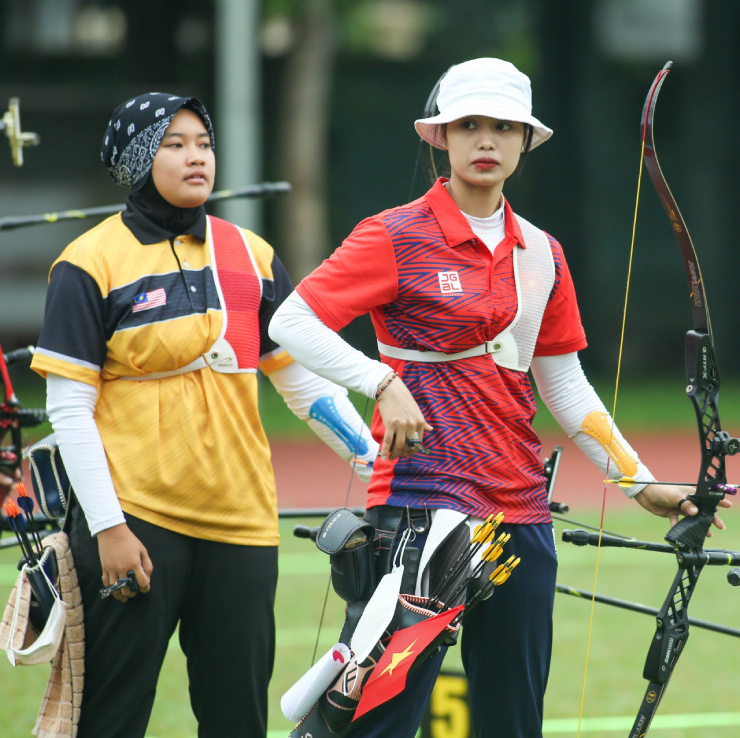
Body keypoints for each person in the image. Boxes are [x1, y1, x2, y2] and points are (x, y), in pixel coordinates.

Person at [269, 58, 731, 738]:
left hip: (519, 512)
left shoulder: (542, 252)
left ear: (524, 142)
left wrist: (637, 482)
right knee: (380, 720)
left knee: (511, 722)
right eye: (470, 126)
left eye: (503, 128)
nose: (486, 140)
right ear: (442, 138)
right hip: (421, 512)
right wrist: (382, 381)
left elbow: (564, 385)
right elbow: (290, 322)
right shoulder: (394, 235)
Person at [29, 92, 378, 738]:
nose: (197, 157)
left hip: (242, 527)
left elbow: (299, 386)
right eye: (175, 144)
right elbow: (68, 409)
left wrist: (377, 464)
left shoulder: (252, 254)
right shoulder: (87, 263)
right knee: (110, 719)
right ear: (138, 158)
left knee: (237, 719)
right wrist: (107, 528)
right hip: (135, 525)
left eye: (205, 144)